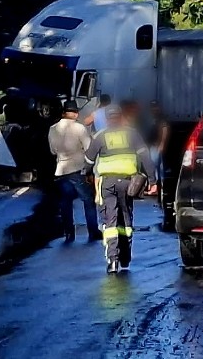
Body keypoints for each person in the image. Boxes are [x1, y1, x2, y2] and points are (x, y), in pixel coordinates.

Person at [84, 105, 158, 274]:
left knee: (110, 220)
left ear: (108, 119)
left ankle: (112, 260)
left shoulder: (100, 136)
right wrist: (152, 180)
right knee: (125, 217)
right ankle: (125, 257)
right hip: (128, 182)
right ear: (121, 118)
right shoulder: (132, 134)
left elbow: (88, 160)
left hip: (107, 183)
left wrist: (86, 174)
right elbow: (145, 156)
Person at [49, 100, 100, 243]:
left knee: (65, 202)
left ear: (63, 113)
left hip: (61, 170)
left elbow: (53, 150)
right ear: (75, 113)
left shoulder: (53, 129)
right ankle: (93, 231)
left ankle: (69, 233)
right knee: (88, 200)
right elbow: (89, 148)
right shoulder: (79, 128)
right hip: (78, 169)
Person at [145, 100, 170, 188]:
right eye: (152, 107)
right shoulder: (148, 118)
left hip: (156, 145)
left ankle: (157, 185)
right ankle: (158, 186)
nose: (154, 109)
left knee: (155, 166)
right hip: (149, 145)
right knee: (157, 166)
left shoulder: (161, 118)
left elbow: (165, 130)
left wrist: (162, 144)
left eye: (155, 107)